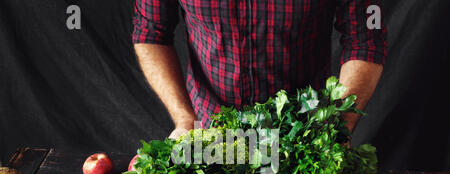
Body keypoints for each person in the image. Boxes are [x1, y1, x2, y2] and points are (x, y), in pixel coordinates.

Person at [132, 1, 387, 139]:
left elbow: (367, 38)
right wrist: (184, 119)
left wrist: (339, 126)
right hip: (210, 133)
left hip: (302, 137)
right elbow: (150, 31)